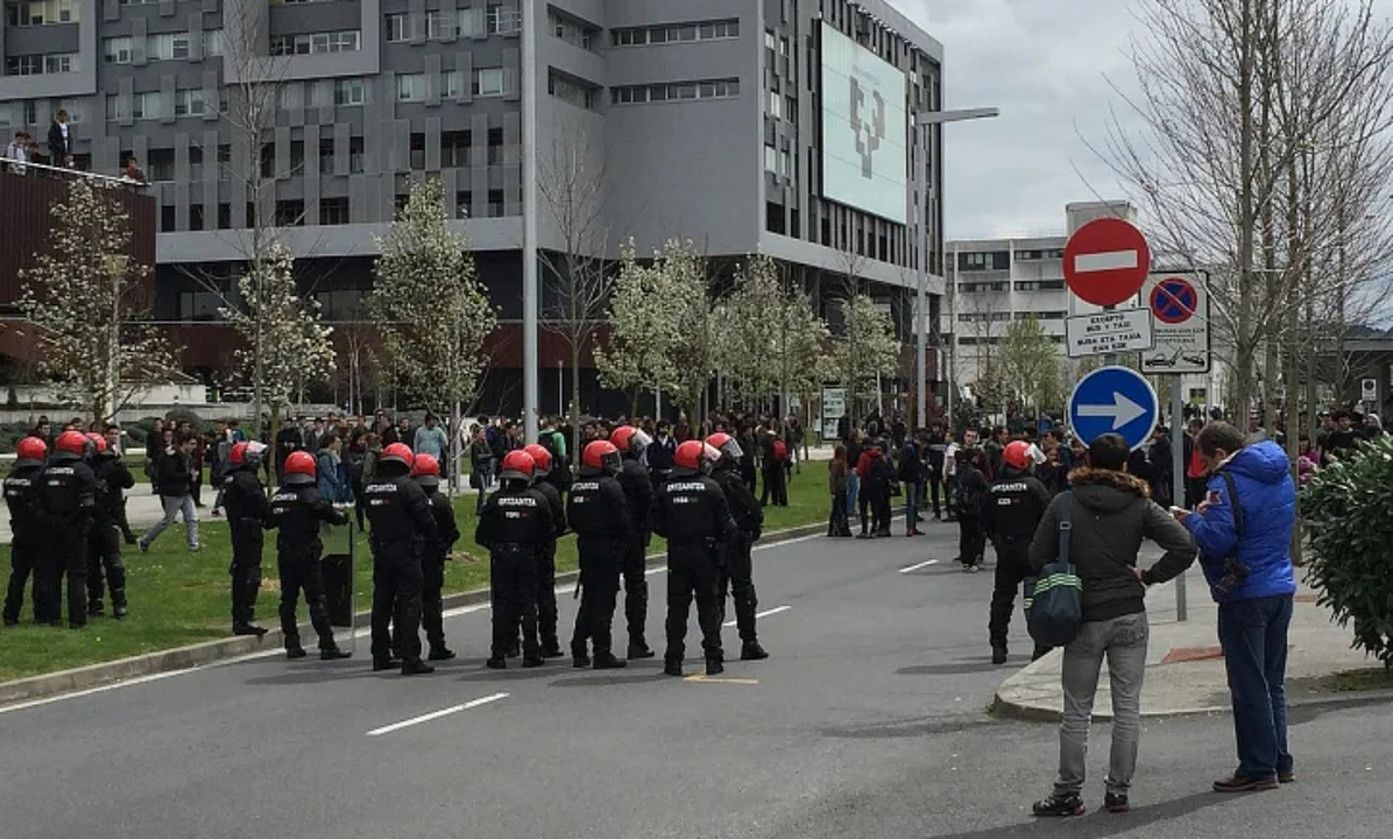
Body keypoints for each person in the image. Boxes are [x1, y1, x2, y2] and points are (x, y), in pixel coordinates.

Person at [1028, 433, 1196, 818]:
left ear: (1087, 460)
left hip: (1083, 616)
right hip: (1129, 613)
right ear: (1125, 465)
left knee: (1076, 711)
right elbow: (1185, 546)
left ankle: (1068, 792)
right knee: (1127, 708)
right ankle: (1118, 792)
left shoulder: (1065, 503)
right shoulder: (1140, 504)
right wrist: (1150, 576)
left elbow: (1036, 555)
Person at [1175, 421, 1298, 793]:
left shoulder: (1225, 484)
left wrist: (1192, 519)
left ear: (1217, 452)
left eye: (1205, 460)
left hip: (1245, 591)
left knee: (1248, 684)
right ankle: (1280, 760)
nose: (1206, 469)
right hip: (1280, 584)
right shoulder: (1280, 472)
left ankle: (1258, 767)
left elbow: (1216, 541)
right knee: (1272, 681)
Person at [652, 440, 737, 677]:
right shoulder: (711, 488)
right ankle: (713, 658)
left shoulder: (666, 489)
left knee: (677, 607)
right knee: (708, 606)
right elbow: (727, 524)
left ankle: (673, 660)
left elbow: (656, 523)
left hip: (677, 552)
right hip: (705, 552)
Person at [264, 451, 351, 661]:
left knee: (288, 599)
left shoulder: (279, 496)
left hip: (285, 551)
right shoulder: (310, 495)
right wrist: (342, 517)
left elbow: (268, 521)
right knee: (316, 598)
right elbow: (331, 515)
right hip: (307, 551)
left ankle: (292, 644)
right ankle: (327, 644)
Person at [363, 442, 438, 675]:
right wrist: (433, 543)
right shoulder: (410, 487)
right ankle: (410, 657)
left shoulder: (369, 488)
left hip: (382, 549)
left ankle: (380, 654)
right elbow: (426, 521)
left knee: (381, 603)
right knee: (409, 603)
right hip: (407, 551)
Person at [475, 450, 553, 669]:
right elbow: (548, 533)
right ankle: (531, 652)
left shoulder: (495, 500)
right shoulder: (538, 499)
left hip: (501, 557)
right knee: (528, 604)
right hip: (528, 557)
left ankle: (498, 653)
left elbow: (481, 535)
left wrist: (498, 548)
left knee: (501, 605)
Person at [981, 441, 1053, 664]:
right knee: (1037, 599)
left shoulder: (993, 488)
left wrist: (999, 542)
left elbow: (985, 521)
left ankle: (998, 645)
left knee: (1002, 600)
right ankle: (1041, 645)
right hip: (1033, 549)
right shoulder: (1034, 487)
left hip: (1007, 551)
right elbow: (1049, 517)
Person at [566, 440, 632, 669]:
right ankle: (602, 651)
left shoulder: (576, 486)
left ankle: (578, 646)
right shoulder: (610, 486)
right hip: (608, 547)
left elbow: (571, 519)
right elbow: (622, 520)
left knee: (589, 598)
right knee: (604, 600)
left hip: (585, 545)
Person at [707, 432, 768, 661]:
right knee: (744, 593)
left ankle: (713, 643)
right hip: (736, 544)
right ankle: (749, 641)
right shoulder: (730, 480)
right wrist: (753, 529)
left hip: (713, 546)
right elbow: (753, 509)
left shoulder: (707, 481)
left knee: (715, 594)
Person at [32, 430, 97, 628]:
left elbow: (35, 503)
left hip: (50, 529)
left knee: (52, 574)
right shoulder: (83, 471)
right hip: (75, 530)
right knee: (76, 575)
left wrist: (52, 521)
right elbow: (87, 504)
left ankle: (53, 617)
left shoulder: (44, 471)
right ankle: (77, 619)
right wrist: (70, 521)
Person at [610, 425, 656, 659]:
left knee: (601, 592)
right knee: (636, 589)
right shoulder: (637, 471)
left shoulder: (607, 470)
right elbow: (649, 503)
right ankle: (636, 641)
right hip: (633, 539)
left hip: (609, 539)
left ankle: (588, 645)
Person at [410, 453, 460, 661]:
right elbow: (452, 531)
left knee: (408, 602)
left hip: (410, 555)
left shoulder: (408, 497)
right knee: (432, 601)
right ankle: (436, 644)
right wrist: (443, 548)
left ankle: (404, 646)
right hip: (433, 557)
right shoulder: (440, 501)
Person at [523, 443, 568, 659]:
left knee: (518, 597)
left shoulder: (512, 491)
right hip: (544, 551)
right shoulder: (549, 492)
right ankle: (549, 640)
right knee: (545, 596)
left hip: (519, 553)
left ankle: (512, 642)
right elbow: (560, 523)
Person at [221, 441, 271, 636]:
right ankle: (244, 618)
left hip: (239, 529)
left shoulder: (232, 479)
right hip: (249, 529)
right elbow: (261, 505)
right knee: (250, 574)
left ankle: (241, 617)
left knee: (242, 571)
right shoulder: (247, 480)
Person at [85, 433, 135, 619]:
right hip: (105, 520)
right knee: (111, 563)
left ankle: (98, 601)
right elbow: (129, 482)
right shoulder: (109, 465)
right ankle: (117, 602)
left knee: (95, 564)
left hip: (97, 520)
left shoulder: (86, 467)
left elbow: (129, 482)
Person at [3, 437, 48, 625]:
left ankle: (10, 614)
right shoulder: (39, 477)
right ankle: (41, 614)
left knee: (18, 576)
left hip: (19, 531)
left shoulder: (10, 478)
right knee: (40, 576)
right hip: (39, 532)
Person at [139, 433, 201, 553]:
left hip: (185, 491)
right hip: (173, 492)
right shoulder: (171, 456)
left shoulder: (188, 457)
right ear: (184, 443)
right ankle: (145, 540)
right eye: (192, 444)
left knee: (192, 518)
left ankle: (193, 545)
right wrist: (188, 476)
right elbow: (170, 475)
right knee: (168, 520)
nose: (195, 446)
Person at [953, 448, 988, 572]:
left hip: (961, 506)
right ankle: (973, 560)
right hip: (974, 507)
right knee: (976, 534)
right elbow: (984, 488)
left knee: (965, 534)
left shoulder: (960, 470)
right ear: (973, 458)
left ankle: (965, 560)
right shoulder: (976, 473)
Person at [898, 434, 924, 536]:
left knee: (915, 503)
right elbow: (904, 464)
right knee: (911, 503)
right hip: (912, 478)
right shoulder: (910, 449)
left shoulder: (916, 449)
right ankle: (910, 527)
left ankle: (913, 526)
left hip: (917, 477)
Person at [827, 444, 852, 537]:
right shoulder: (840, 464)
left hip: (837, 489)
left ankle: (834, 528)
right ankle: (843, 528)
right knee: (841, 509)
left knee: (836, 509)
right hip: (840, 488)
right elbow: (836, 478)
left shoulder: (833, 463)